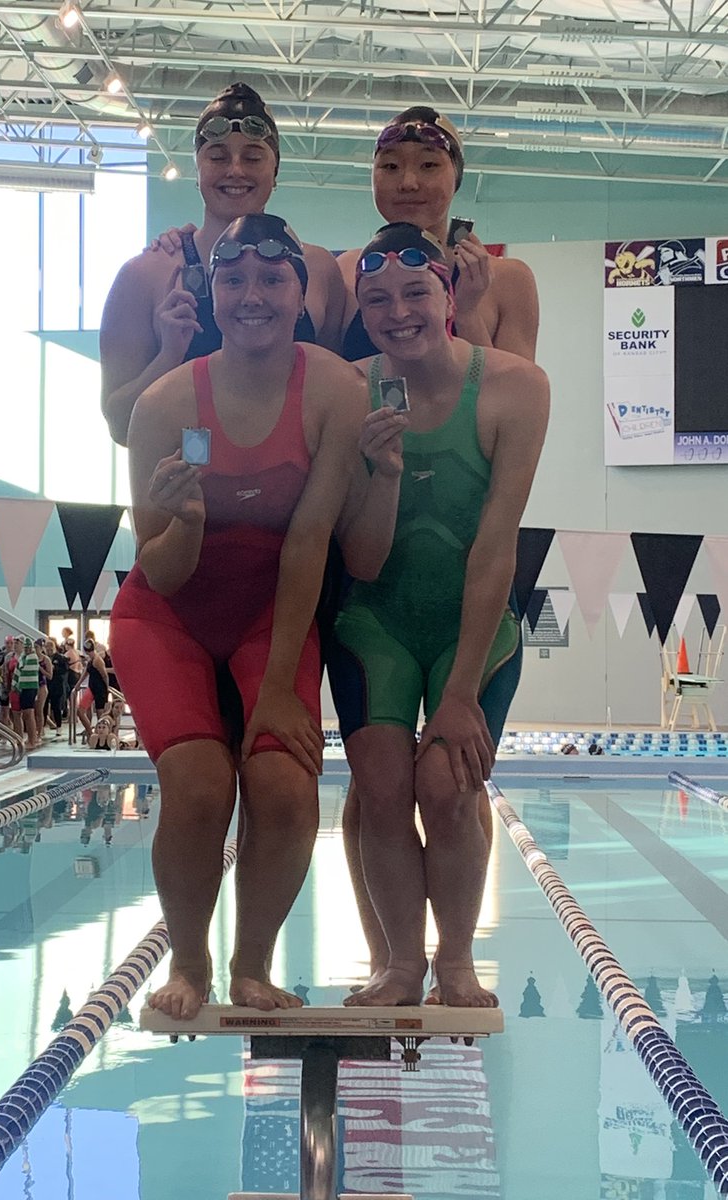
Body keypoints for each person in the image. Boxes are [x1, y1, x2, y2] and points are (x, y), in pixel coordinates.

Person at [109, 213, 364, 1020]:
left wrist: (284, 687)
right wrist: (183, 522)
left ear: (300, 295)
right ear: (212, 295)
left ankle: (252, 964)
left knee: (287, 787)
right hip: (168, 613)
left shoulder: (333, 389)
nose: (251, 295)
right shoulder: (162, 404)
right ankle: (189, 963)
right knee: (197, 784)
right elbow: (160, 569)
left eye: (271, 279)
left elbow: (311, 540)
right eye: (233, 281)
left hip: (271, 610)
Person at [329, 223, 548, 1008]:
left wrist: (459, 696)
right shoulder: (347, 390)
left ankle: (455, 957)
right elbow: (359, 561)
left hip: (476, 626)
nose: (399, 311)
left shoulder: (515, 387)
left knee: (448, 785)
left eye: (416, 292)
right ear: (362, 311)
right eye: (377, 298)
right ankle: (399, 962)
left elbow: (496, 548)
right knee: (383, 788)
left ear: (449, 297)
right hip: (373, 622)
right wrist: (381, 473)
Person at [100, 81, 346, 445]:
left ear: (275, 170)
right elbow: (121, 426)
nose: (234, 170)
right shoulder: (147, 275)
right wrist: (169, 355)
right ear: (197, 169)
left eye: (252, 157)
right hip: (186, 497)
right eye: (216, 157)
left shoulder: (319, 269)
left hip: (297, 495)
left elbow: (334, 403)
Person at [337, 108, 539, 364]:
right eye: (390, 166)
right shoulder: (345, 273)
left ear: (457, 177)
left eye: (428, 165)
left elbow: (519, 399)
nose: (408, 182)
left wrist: (467, 313)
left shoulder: (508, 281)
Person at [76, 638, 110, 742]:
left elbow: (105, 676)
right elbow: (86, 672)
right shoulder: (91, 660)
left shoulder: (97, 660)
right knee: (80, 711)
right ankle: (90, 732)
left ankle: (102, 737)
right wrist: (78, 685)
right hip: (92, 688)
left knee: (100, 716)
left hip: (100, 689)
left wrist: (107, 689)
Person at [13, 637, 40, 749]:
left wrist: (16, 684)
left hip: (30, 688)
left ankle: (32, 740)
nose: (27, 649)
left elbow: (22, 669)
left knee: (29, 714)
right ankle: (30, 738)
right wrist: (15, 685)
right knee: (26, 714)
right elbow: (18, 672)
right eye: (26, 648)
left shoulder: (32, 657)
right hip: (23, 688)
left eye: (29, 647)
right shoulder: (23, 657)